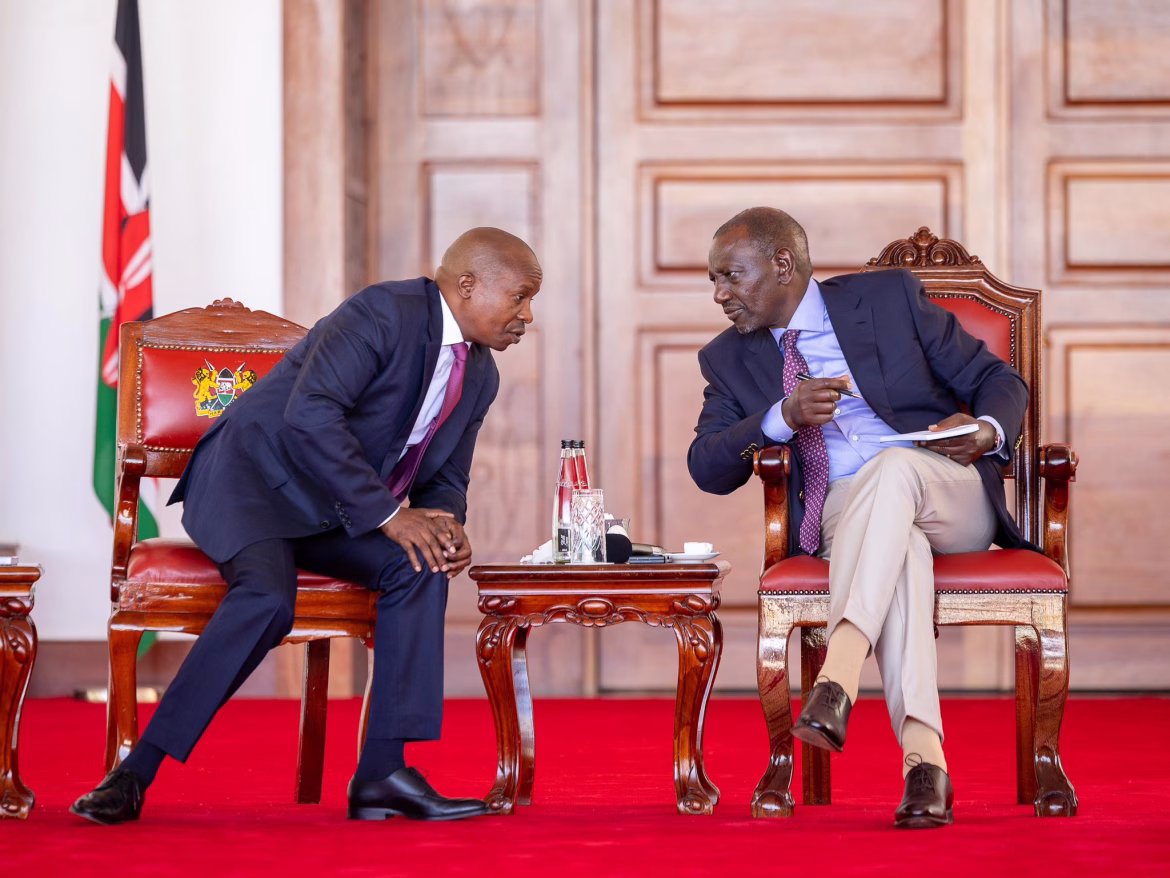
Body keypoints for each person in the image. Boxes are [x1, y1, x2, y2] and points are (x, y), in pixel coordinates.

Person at [72, 227, 542, 825]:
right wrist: (392, 515)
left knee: (419, 563)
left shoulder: (480, 375)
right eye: (520, 296)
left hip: (333, 506)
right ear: (469, 285)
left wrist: (445, 524)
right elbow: (310, 414)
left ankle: (382, 774)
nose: (527, 316)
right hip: (253, 487)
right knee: (268, 598)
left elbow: (445, 473)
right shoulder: (383, 312)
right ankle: (134, 774)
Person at [688, 207, 1030, 828]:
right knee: (902, 555)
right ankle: (927, 769)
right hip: (851, 518)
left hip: (945, 489)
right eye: (714, 281)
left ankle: (838, 674)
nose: (720, 295)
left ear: (782, 265)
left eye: (731, 277)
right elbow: (708, 467)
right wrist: (780, 418)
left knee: (894, 467)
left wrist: (985, 432)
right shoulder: (728, 359)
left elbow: (996, 379)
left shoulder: (889, 299)